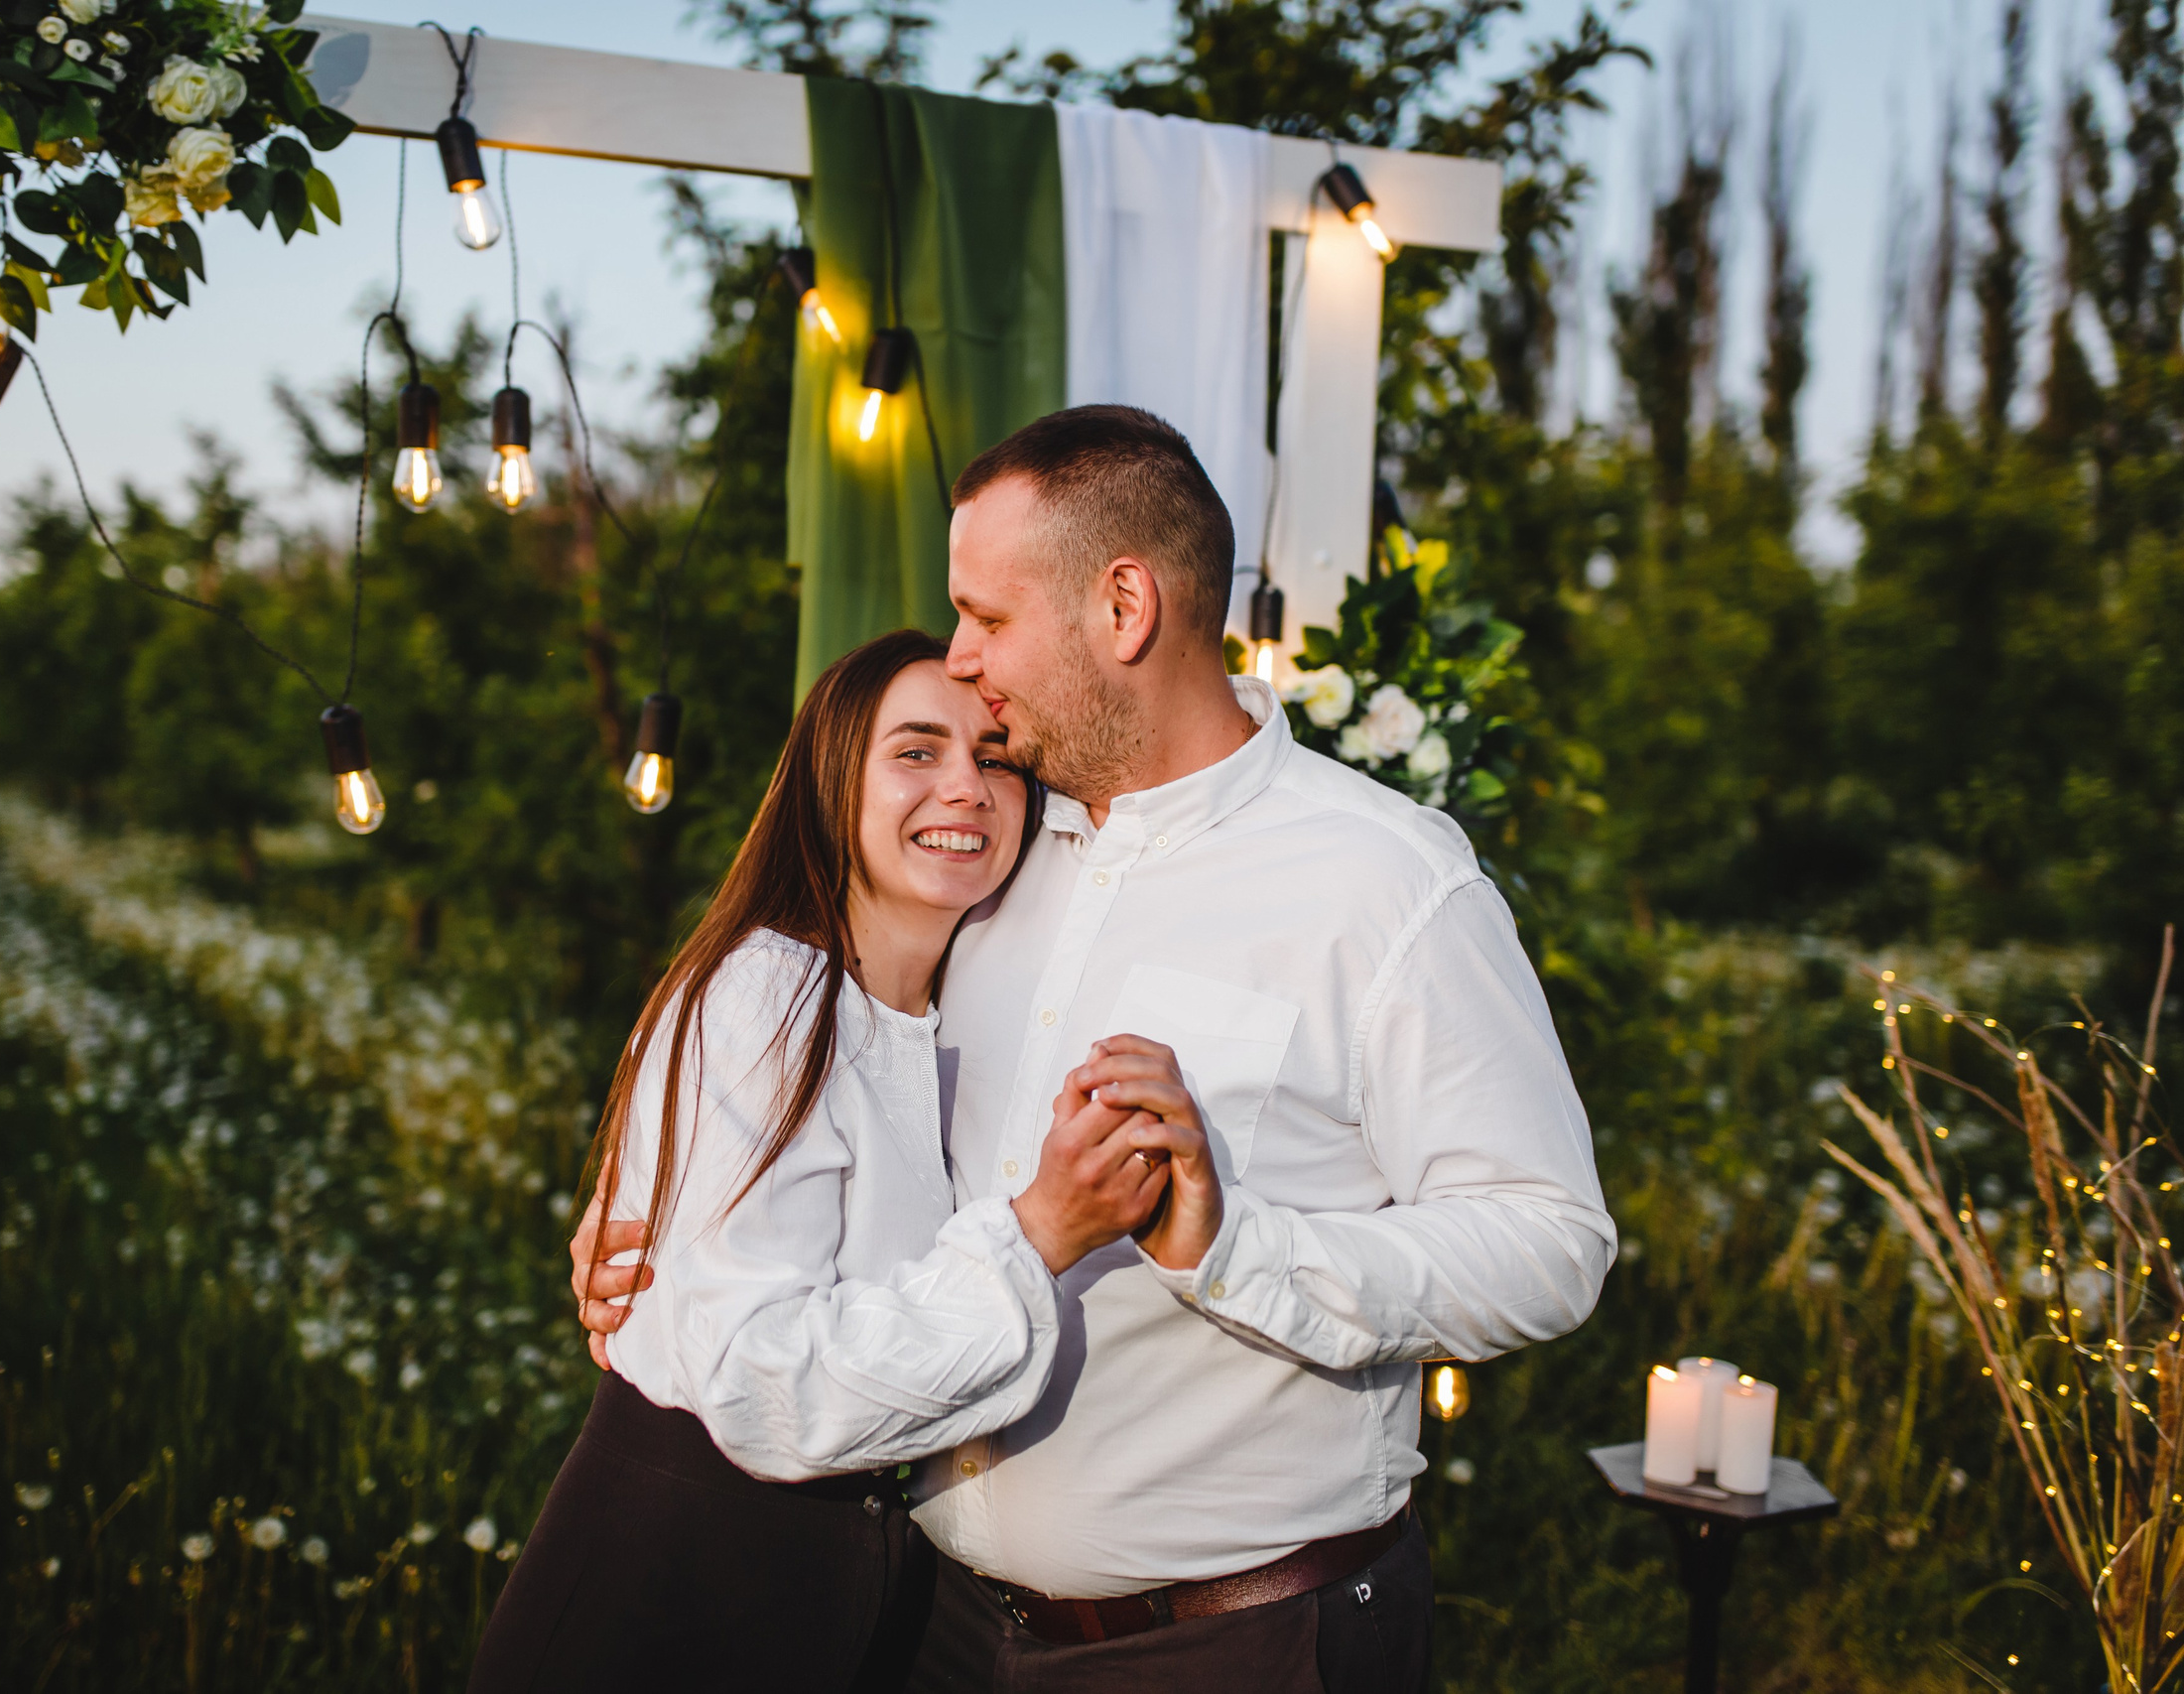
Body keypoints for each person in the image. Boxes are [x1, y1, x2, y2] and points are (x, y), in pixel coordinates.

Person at [577, 406, 1616, 1692]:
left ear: (1124, 605)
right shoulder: (995, 856)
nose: (962, 656)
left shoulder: (1387, 884)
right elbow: (864, 1126)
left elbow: (1552, 1241)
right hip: (933, 1625)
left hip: (1235, 1644)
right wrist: (678, 1239)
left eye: (987, 616)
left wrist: (1234, 1247)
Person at [469, 628, 1224, 1694]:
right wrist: (1041, 1233)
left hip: (854, 1597)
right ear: (832, 784)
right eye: (915, 752)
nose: (965, 785)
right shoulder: (764, 998)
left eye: (995, 758)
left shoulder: (953, 1017)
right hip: (680, 1587)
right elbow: (762, 1383)